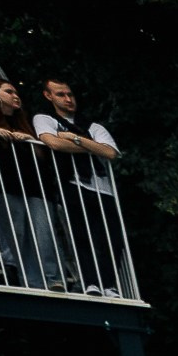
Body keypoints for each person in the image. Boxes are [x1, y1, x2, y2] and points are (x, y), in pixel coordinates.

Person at [0, 77, 69, 290]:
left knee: (44, 233)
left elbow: (43, 155)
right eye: (9, 92)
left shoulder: (26, 120)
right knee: (17, 234)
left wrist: (29, 141)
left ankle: (54, 279)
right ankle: (32, 283)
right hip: (1, 184)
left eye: (16, 92)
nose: (16, 96)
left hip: (36, 185)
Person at [30, 79, 124, 297]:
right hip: (72, 183)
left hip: (103, 188)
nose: (68, 99)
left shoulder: (93, 126)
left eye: (70, 94)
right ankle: (91, 282)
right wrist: (92, 147)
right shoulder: (44, 118)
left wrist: (73, 138)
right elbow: (52, 143)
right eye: (61, 94)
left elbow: (110, 153)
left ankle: (109, 285)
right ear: (48, 96)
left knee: (112, 238)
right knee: (82, 234)